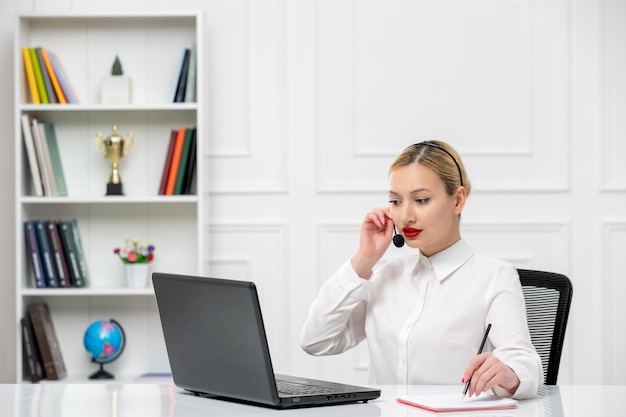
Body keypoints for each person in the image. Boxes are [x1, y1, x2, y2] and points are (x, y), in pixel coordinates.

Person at [299, 141, 542, 400]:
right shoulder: (384, 275)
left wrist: (509, 372)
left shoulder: (493, 277)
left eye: (421, 200)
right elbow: (316, 341)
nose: (405, 216)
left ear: (457, 200)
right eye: (395, 201)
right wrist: (364, 260)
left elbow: (525, 364)